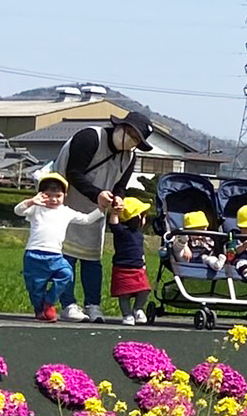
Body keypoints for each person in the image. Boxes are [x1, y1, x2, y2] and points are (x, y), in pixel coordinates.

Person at [53, 111, 154, 322]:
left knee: (92, 257)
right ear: (121, 127)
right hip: (67, 203)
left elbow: (120, 186)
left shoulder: (129, 156)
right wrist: (96, 194)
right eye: (132, 135)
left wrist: (118, 198)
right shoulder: (90, 138)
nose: (132, 143)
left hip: (96, 210)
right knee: (66, 256)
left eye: (137, 140)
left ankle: (93, 304)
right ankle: (68, 303)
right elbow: (74, 173)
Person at [13, 173, 106, 322]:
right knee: (36, 287)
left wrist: (101, 209)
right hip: (34, 254)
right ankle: (40, 310)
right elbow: (17, 210)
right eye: (48, 195)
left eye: (58, 195)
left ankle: (49, 301)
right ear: (40, 195)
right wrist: (31, 201)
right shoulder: (36, 209)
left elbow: (87, 219)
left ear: (65, 195)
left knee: (66, 274)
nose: (53, 199)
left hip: (56, 255)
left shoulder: (66, 211)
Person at [109, 197, 152, 326]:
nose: (145, 220)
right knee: (124, 295)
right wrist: (115, 213)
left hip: (138, 268)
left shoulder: (138, 233)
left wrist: (143, 262)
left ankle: (137, 309)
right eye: (143, 216)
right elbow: (114, 225)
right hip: (122, 269)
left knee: (144, 290)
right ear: (137, 217)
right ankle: (127, 315)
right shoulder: (122, 231)